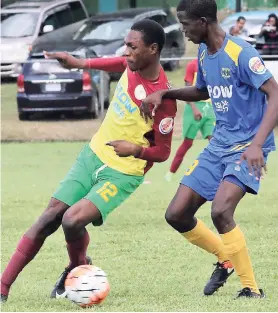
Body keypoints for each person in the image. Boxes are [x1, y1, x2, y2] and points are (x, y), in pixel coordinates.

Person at [0, 19, 177, 303]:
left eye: (133, 46)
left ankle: (74, 269)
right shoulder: (130, 65)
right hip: (93, 155)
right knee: (49, 217)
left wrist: (135, 149)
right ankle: (2, 288)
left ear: (153, 49)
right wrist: (78, 63)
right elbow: (115, 63)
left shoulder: (164, 99)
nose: (127, 51)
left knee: (72, 220)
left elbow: (163, 152)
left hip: (122, 172)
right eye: (126, 45)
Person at [141, 0, 278, 299]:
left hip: (246, 146)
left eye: (185, 24)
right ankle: (224, 258)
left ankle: (251, 289)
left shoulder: (241, 52)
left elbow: (275, 93)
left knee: (221, 210)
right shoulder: (204, 52)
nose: (183, 30)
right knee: (176, 214)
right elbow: (203, 90)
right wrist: (165, 92)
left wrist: (257, 144)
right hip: (219, 144)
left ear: (202, 22)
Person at [165, 58, 215, 182]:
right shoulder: (192, 65)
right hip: (194, 107)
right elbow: (187, 90)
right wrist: (194, 109)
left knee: (214, 141)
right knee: (188, 143)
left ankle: (218, 172)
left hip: (209, 108)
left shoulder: (214, 63)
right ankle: (171, 173)